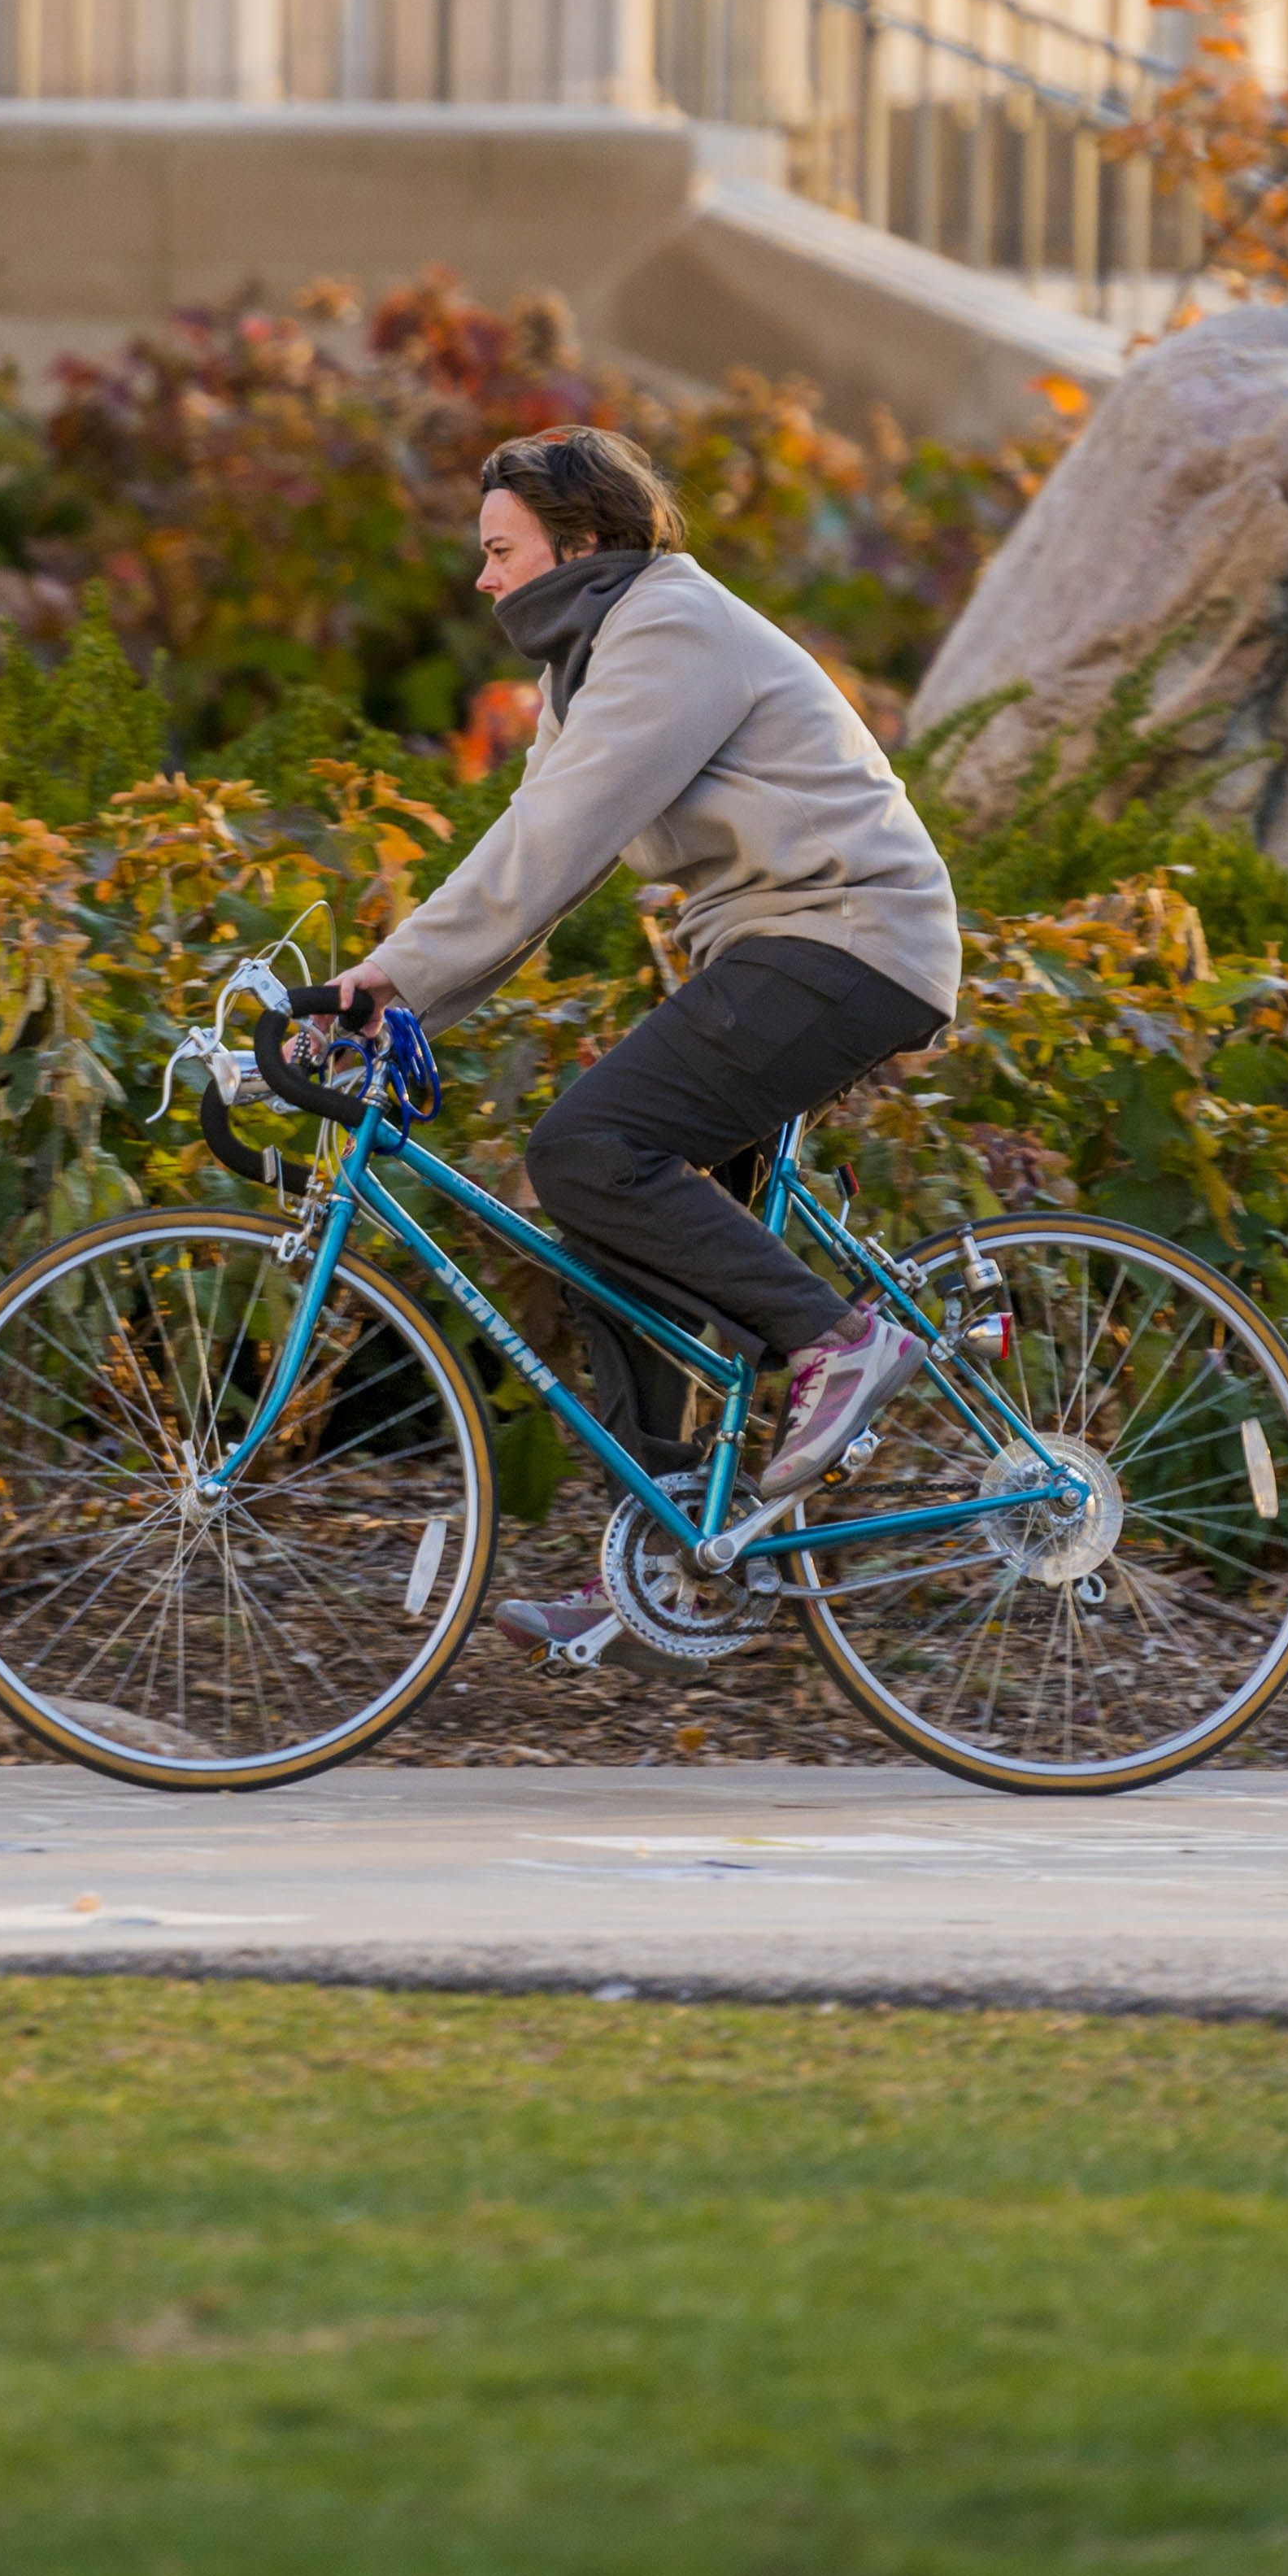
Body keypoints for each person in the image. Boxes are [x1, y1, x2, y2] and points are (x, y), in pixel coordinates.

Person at [334, 424, 964, 1661]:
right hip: (786, 948)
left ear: (582, 543)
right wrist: (395, 1007)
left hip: (843, 939)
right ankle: (671, 1557)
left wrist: (384, 983)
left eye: (501, 551)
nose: (484, 580)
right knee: (611, 1229)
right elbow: (534, 861)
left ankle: (843, 1344)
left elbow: (550, 849)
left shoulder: (669, 629)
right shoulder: (591, 665)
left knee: (588, 1148)